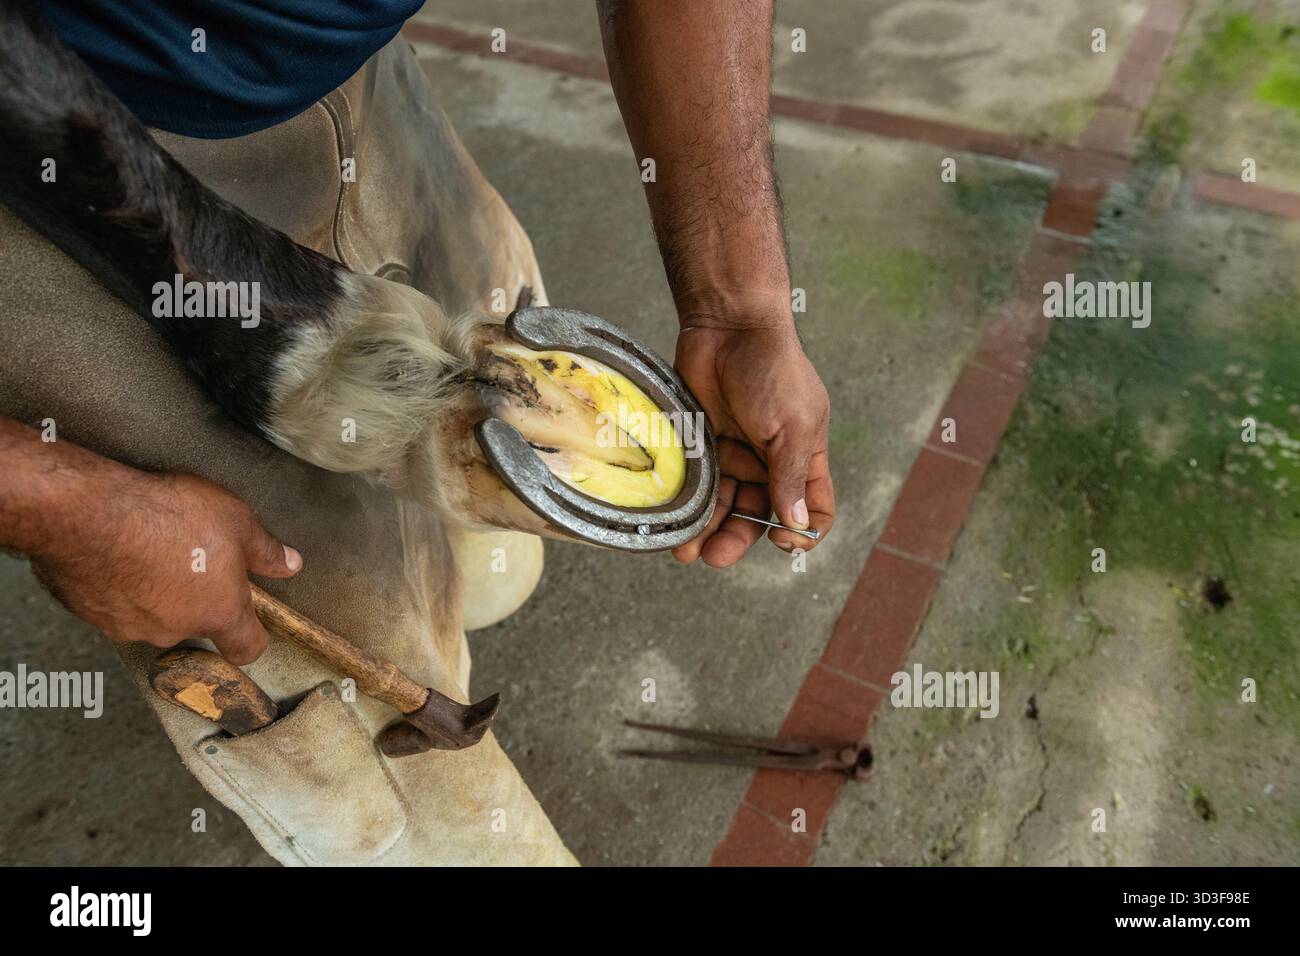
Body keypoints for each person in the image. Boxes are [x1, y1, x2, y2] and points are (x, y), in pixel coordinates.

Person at [1, 0, 832, 666]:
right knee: (358, 684)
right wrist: (65, 506)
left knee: (487, 572)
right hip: (64, 173)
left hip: (346, 68)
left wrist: (741, 305)